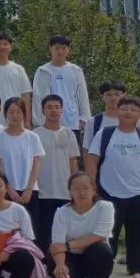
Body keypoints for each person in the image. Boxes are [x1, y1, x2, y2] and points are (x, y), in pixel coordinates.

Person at [84, 96, 140, 278]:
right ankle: (100, 275)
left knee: (139, 236)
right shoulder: (105, 134)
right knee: (106, 236)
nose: (128, 112)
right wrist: (92, 187)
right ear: (117, 111)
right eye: (124, 108)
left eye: (133, 110)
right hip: (109, 193)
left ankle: (138, 274)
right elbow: (92, 160)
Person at [50, 172, 115, 278]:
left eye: (86, 188)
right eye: (76, 188)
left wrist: (68, 245)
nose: (81, 192)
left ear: (93, 190)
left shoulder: (105, 207)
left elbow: (99, 235)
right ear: (70, 192)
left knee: (103, 250)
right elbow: (57, 244)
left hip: (92, 254)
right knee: (53, 259)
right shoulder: (62, 212)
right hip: (71, 256)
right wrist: (60, 265)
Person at [34, 94, 80, 252]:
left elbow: (73, 161)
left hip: (64, 191)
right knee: (43, 229)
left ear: (62, 110)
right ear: (43, 111)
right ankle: (42, 260)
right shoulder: (35, 134)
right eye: (49, 107)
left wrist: (75, 186)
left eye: (57, 107)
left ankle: (62, 259)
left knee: (63, 231)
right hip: (42, 191)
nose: (53, 110)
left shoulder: (69, 133)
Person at [0, 96, 45, 227]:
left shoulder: (32, 137)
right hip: (6, 191)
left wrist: (29, 188)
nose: (15, 115)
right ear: (5, 114)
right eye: (11, 112)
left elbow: (36, 163)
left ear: (24, 114)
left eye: (18, 112)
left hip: (30, 190)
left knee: (31, 228)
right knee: (8, 228)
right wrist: (9, 189)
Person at [31, 35, 90, 147]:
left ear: (68, 50)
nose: (60, 51)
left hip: (72, 121)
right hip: (48, 122)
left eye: (63, 48)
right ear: (50, 49)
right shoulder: (43, 70)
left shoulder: (76, 70)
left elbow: (82, 95)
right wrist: (38, 122)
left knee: (71, 154)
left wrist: (84, 118)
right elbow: (38, 98)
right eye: (56, 48)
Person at [86, 80, 140, 150]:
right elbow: (87, 148)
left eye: (117, 94)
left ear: (124, 95)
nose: (113, 98)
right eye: (109, 95)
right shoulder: (93, 122)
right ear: (102, 97)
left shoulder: (136, 121)